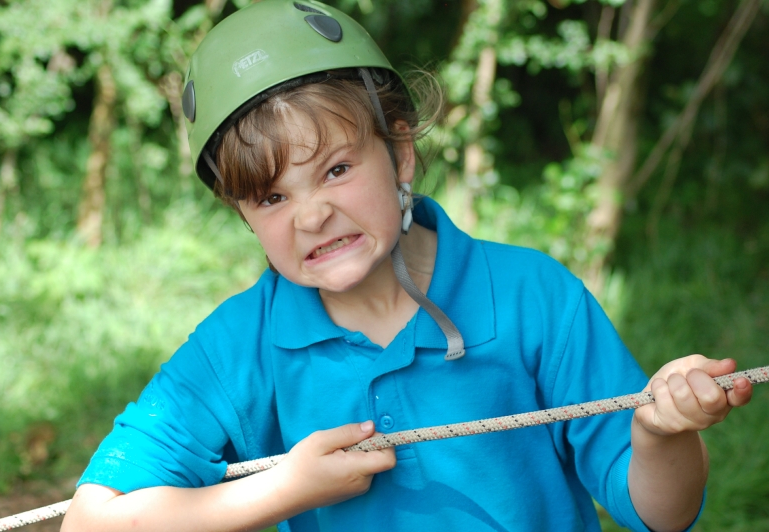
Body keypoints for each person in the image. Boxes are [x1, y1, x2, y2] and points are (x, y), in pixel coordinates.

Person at [61, 1, 753, 531]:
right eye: (272, 195)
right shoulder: (238, 347)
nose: (310, 216)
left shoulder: (532, 297)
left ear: (401, 152)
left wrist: (661, 435)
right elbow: (91, 520)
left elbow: (661, 513)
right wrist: (284, 490)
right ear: (244, 214)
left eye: (335, 169)